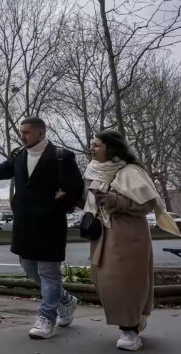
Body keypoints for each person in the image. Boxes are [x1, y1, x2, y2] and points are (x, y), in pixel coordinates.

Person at [0, 117, 84, 339]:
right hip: (24, 224)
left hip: (50, 224)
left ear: (40, 133)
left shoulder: (62, 156)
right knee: (29, 269)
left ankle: (47, 317)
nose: (22, 136)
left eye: (26, 132)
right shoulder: (19, 154)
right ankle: (65, 300)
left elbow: (75, 188)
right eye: (21, 132)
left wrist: (57, 206)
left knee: (48, 272)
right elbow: (1, 171)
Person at [84, 130, 181, 351]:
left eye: (97, 145)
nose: (92, 148)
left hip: (128, 236)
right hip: (101, 235)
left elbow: (146, 204)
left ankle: (130, 330)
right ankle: (134, 319)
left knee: (125, 283)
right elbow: (87, 200)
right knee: (102, 281)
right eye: (92, 144)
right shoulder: (92, 170)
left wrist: (115, 200)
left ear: (112, 147)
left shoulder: (131, 171)